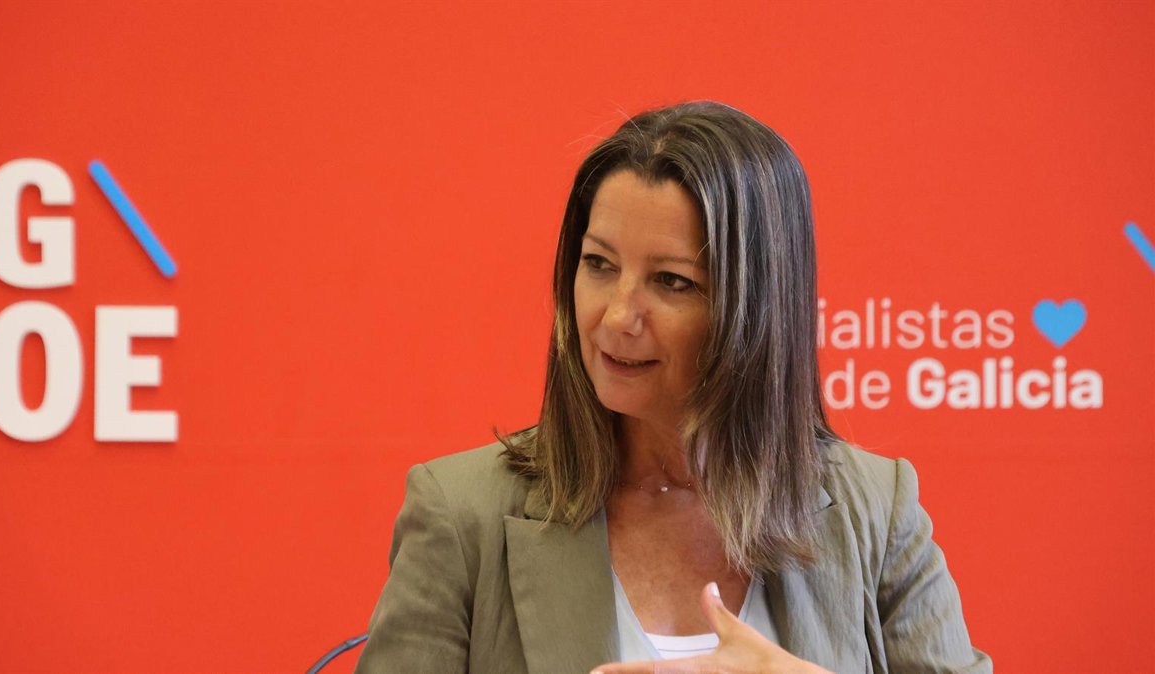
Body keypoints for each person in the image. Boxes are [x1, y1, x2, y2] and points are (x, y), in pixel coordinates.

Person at [354, 101, 992, 674]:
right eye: (599, 264)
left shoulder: (875, 508)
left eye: (671, 282)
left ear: (757, 307)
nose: (616, 317)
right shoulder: (460, 513)